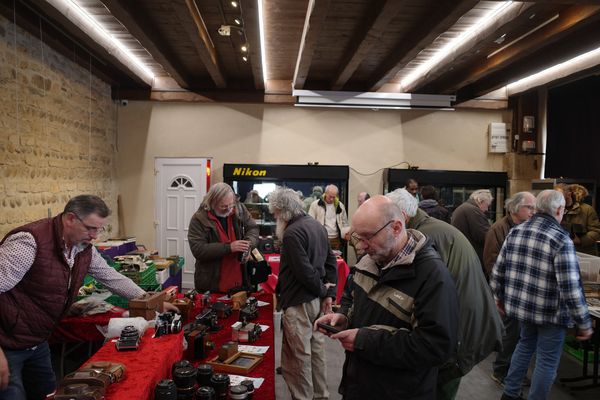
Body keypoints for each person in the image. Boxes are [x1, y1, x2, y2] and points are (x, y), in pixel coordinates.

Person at [0, 194, 178, 400]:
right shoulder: (29, 243)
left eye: (98, 229)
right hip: (7, 342)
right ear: (70, 219)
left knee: (46, 394)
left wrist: (150, 300)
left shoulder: (83, 249)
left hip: (38, 341)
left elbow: (112, 277)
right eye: (90, 228)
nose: (95, 236)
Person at [315, 195, 459, 400]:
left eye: (368, 237)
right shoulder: (370, 260)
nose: (362, 246)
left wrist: (364, 341)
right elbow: (350, 296)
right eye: (357, 237)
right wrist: (344, 317)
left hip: (401, 391)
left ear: (397, 228)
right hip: (360, 384)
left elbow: (435, 347)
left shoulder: (433, 277)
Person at [387, 189, 502, 400]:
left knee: (440, 388)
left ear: (402, 216)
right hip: (460, 324)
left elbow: (425, 294)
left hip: (461, 331)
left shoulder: (428, 236)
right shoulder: (429, 229)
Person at [491, 189, 593, 400]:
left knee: (524, 345)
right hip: (551, 314)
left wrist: (498, 297)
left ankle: (509, 395)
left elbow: (498, 270)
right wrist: (584, 322)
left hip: (523, 309)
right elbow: (571, 288)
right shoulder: (560, 240)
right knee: (546, 361)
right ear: (558, 210)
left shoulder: (516, 231)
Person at [268, 188, 337, 400]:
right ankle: (320, 395)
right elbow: (330, 262)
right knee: (316, 351)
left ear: (282, 210)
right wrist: (327, 294)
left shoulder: (291, 233)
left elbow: (304, 272)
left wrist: (323, 291)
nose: (274, 217)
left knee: (298, 357)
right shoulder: (316, 225)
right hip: (315, 300)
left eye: (275, 212)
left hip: (300, 302)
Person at [482, 191, 536, 387]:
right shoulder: (498, 229)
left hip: (520, 291)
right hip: (507, 291)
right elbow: (491, 262)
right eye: (529, 207)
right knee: (510, 333)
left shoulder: (525, 227)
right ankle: (501, 371)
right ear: (515, 208)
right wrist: (502, 292)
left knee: (519, 335)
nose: (533, 211)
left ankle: (512, 371)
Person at [188, 182, 259, 292]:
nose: (229, 209)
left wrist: (248, 244)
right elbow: (198, 250)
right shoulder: (198, 219)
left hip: (240, 280)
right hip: (212, 284)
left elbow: (253, 228)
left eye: (231, 205)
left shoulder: (239, 208)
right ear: (212, 202)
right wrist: (229, 247)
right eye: (224, 206)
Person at [451, 189, 493, 266]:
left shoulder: (465, 208)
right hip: (471, 256)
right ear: (480, 201)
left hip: (463, 253)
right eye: (487, 205)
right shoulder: (473, 211)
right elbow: (483, 235)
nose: (487, 209)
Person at [558, 184, 600, 256]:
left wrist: (580, 240)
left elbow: (596, 231)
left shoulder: (587, 210)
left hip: (584, 253)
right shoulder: (556, 209)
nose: (556, 197)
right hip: (564, 253)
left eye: (558, 195)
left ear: (568, 194)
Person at [308, 184, 350, 251]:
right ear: (325, 193)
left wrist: (346, 233)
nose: (332, 199)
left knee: (335, 260)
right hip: (321, 238)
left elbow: (345, 222)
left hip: (336, 239)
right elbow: (310, 223)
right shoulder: (315, 205)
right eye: (330, 196)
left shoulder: (340, 205)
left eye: (334, 197)